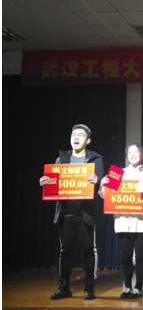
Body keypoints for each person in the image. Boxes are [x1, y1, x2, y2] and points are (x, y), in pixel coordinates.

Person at [39, 124, 104, 300]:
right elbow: (53, 181)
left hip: (86, 213)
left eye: (80, 135)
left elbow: (101, 181)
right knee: (65, 251)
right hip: (65, 212)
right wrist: (45, 182)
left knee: (88, 251)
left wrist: (97, 180)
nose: (76, 137)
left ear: (88, 140)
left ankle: (89, 287)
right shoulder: (61, 159)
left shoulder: (95, 159)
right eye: (74, 134)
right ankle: (64, 287)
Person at [99, 143, 143, 299]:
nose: (133, 154)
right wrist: (103, 186)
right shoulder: (118, 174)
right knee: (125, 256)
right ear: (126, 156)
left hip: (142, 222)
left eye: (136, 151)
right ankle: (127, 286)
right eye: (130, 152)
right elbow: (106, 196)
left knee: (141, 256)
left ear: (142, 154)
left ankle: (139, 287)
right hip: (122, 221)